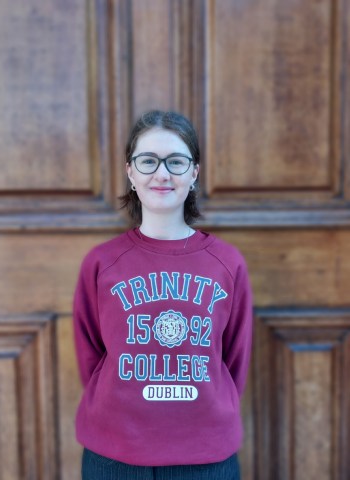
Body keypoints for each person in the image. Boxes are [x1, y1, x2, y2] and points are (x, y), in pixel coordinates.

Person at [73, 110, 253, 480]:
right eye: (148, 160)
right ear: (130, 172)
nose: (162, 173)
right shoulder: (101, 262)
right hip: (114, 452)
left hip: (205, 452)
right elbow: (90, 354)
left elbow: (234, 358)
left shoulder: (226, 263)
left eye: (175, 161)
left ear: (194, 172)